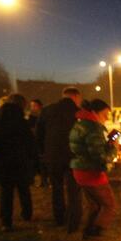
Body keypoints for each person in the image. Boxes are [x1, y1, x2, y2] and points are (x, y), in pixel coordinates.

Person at [69, 99, 118, 241]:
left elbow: (91, 148)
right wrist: (113, 149)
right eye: (105, 114)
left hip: (81, 171)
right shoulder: (92, 128)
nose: (107, 118)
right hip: (92, 173)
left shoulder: (80, 123)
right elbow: (99, 156)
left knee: (95, 206)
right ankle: (94, 240)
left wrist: (107, 144)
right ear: (95, 112)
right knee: (109, 206)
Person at [36, 87, 83, 232]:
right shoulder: (79, 112)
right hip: (73, 156)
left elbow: (39, 133)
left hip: (53, 155)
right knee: (74, 190)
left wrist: (43, 152)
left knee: (56, 188)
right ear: (75, 97)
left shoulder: (48, 110)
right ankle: (74, 221)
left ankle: (59, 218)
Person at [0, 95, 37, 231]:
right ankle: (27, 214)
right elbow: (30, 143)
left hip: (3, 161)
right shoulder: (22, 122)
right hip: (20, 161)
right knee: (24, 189)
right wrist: (33, 159)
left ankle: (6, 221)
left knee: (6, 192)